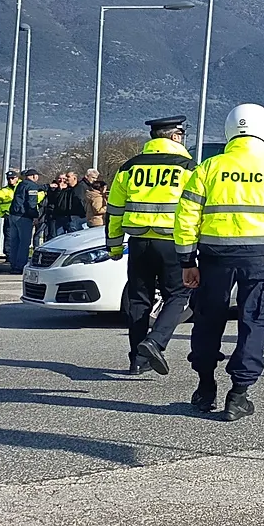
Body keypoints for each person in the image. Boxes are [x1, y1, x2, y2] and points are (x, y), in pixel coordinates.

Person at [173, 104, 264, 421]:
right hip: (261, 260)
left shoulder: (207, 169)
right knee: (254, 321)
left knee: (207, 319)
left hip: (213, 258)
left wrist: (186, 261)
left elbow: (185, 218)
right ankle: (238, 395)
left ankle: (205, 387)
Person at [108, 116, 197, 376]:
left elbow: (114, 211)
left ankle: (137, 360)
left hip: (138, 243)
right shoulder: (188, 168)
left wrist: (113, 246)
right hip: (172, 242)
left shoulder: (130, 167)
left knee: (138, 300)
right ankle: (155, 341)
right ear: (176, 137)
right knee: (178, 295)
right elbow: (194, 208)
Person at [6, 169, 42, 272]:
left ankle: (13, 265)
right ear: (34, 176)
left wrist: (46, 187)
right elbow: (31, 203)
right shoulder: (32, 186)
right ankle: (20, 266)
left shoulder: (21, 184)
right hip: (24, 217)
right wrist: (35, 216)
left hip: (13, 215)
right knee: (24, 243)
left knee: (15, 241)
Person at [0, 170, 19, 260]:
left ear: (17, 178)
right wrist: (2, 214)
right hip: (9, 216)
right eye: (9, 179)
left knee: (20, 237)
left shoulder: (22, 187)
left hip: (21, 217)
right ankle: (9, 256)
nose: (10, 180)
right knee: (9, 236)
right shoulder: (3, 191)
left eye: (12, 178)